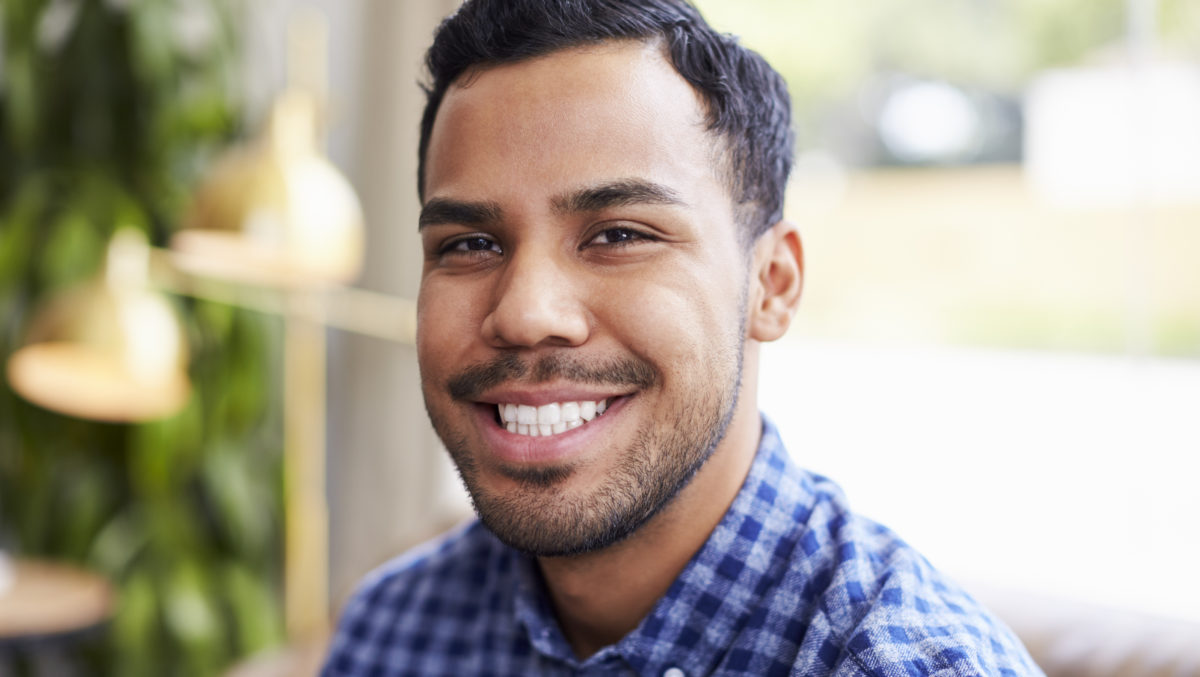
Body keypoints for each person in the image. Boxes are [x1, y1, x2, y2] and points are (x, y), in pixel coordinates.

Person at [322, 1, 1043, 675]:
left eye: (619, 234)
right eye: (470, 243)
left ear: (773, 283)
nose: (525, 313)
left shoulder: (900, 658)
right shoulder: (391, 627)